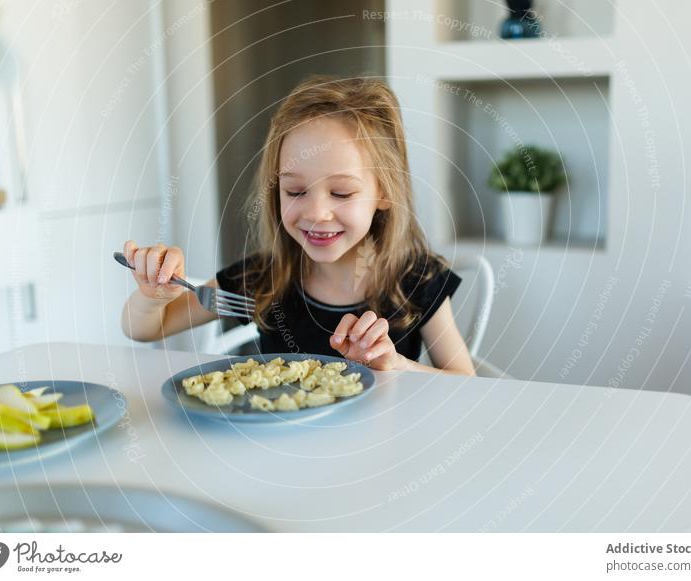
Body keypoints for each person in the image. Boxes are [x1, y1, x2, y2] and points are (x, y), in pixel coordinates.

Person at [121, 75, 475, 376]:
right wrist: (153, 297)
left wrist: (399, 367)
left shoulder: (416, 279)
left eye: (341, 192)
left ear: (384, 193)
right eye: (295, 190)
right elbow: (147, 329)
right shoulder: (260, 280)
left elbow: (467, 383)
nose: (317, 212)